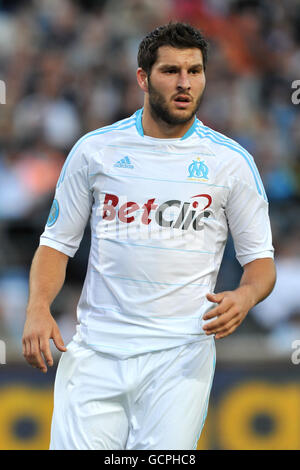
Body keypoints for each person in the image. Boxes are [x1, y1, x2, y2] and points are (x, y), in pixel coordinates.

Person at [22, 22, 276, 450]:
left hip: (180, 356)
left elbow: (261, 263)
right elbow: (56, 244)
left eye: (195, 71)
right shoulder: (94, 151)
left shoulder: (231, 163)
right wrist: (38, 308)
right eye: (171, 71)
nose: (184, 83)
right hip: (96, 351)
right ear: (143, 77)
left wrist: (245, 297)